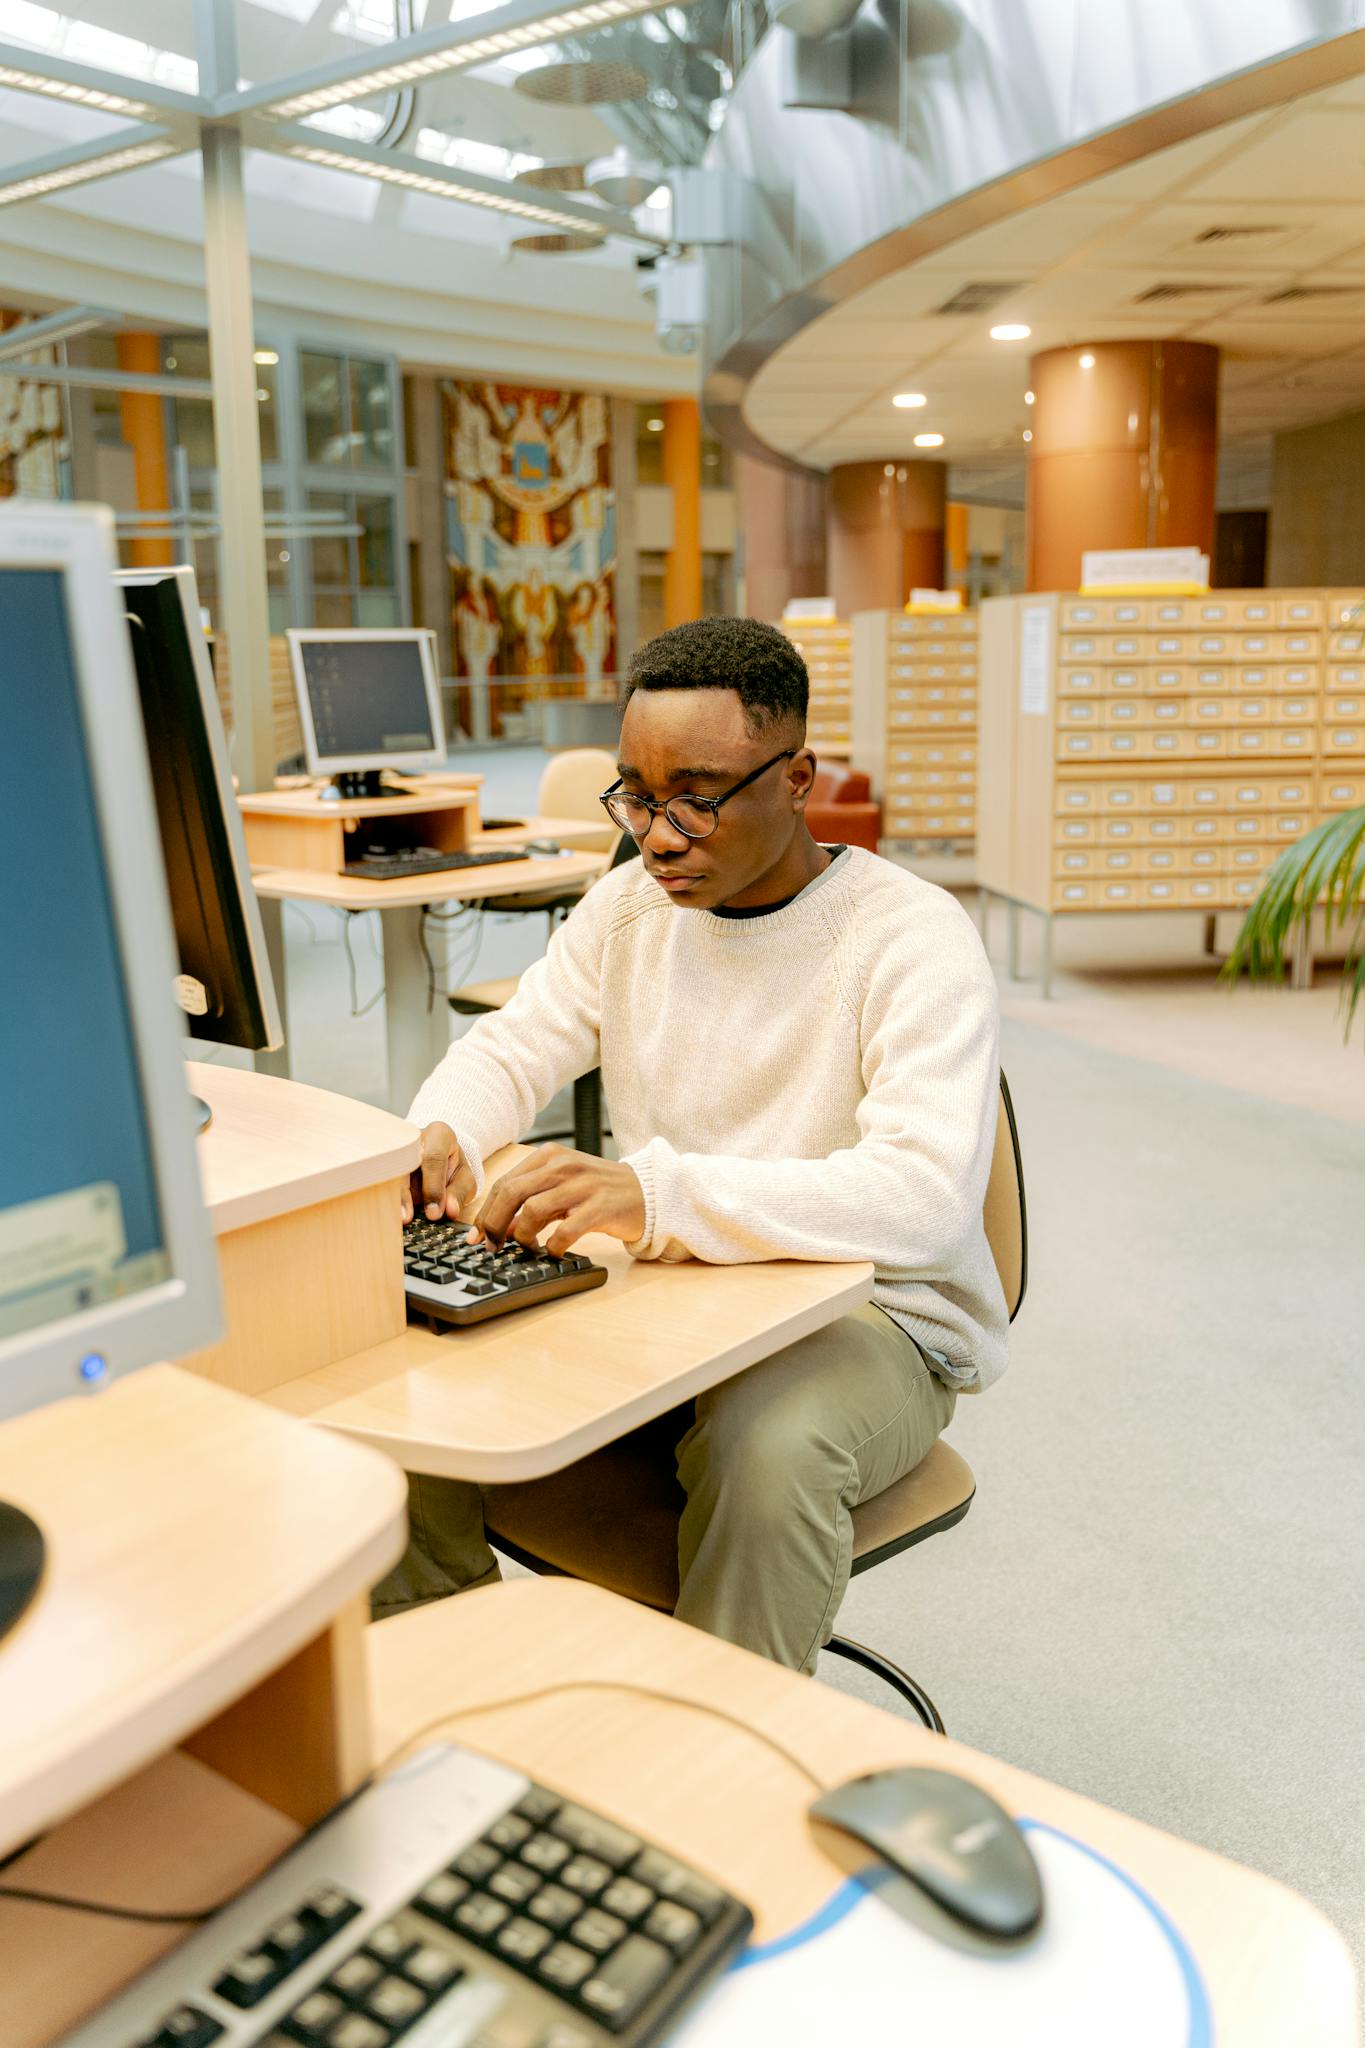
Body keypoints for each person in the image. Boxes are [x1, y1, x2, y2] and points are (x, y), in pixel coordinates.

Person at [376, 615, 1008, 1673]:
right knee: (398, 1363)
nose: (660, 833)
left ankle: (716, 1762)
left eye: (699, 796)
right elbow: (515, 1043)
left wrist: (652, 1197)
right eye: (637, 794)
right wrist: (437, 1132)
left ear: (798, 776)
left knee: (772, 1445)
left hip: (873, 1312)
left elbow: (925, 1197)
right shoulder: (627, 907)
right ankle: (458, 1691)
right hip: (678, 1304)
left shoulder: (911, 934)